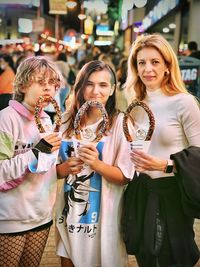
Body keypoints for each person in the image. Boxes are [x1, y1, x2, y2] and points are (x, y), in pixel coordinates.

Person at [123, 33, 200, 267]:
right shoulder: (135, 103)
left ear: (168, 66)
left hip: (171, 195)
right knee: (145, 257)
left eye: (155, 62)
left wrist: (165, 164)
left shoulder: (184, 102)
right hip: (141, 192)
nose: (148, 69)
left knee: (172, 257)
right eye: (141, 62)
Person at [55, 60, 135, 267]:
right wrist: (63, 169)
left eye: (103, 85)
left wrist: (97, 164)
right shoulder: (66, 121)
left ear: (112, 89)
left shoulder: (121, 123)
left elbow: (125, 176)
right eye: (89, 84)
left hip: (103, 223)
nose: (95, 91)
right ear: (80, 87)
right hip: (68, 216)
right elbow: (52, 170)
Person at [0, 56, 63, 266]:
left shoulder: (46, 120)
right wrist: (36, 151)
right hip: (10, 217)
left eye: (53, 84)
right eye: (41, 82)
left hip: (41, 215)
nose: (49, 90)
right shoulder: (6, 119)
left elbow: (44, 170)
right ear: (24, 84)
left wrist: (64, 167)